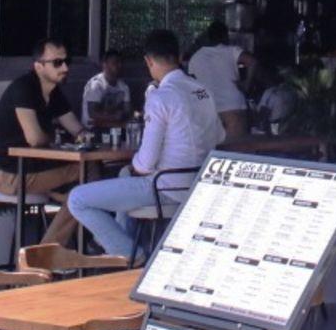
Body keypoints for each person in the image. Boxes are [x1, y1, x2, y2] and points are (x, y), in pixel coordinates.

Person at [67, 28, 223, 260]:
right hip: (199, 183)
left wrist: (135, 166)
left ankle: (132, 256)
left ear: (148, 61)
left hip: (165, 188)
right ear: (179, 57)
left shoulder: (160, 96)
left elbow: (146, 163)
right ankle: (123, 248)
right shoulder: (203, 91)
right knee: (124, 174)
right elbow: (220, 136)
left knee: (77, 199)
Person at [0, 39, 86, 245]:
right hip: (7, 172)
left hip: (32, 168)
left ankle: (59, 245)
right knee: (87, 176)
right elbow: (35, 139)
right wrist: (55, 139)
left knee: (85, 183)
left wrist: (87, 136)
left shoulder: (54, 93)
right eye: (57, 63)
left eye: (67, 61)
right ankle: (51, 248)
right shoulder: (24, 88)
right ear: (39, 66)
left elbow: (77, 129)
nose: (65, 68)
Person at [187, 18, 250, 142]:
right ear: (225, 36)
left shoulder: (195, 57)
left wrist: (203, 100)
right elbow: (252, 62)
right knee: (238, 148)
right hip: (234, 106)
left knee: (214, 150)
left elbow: (193, 87)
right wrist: (246, 84)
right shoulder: (231, 51)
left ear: (208, 37)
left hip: (210, 109)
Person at [81, 47, 135, 132]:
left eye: (121, 63)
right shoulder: (96, 85)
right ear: (104, 65)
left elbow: (127, 111)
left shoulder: (124, 87)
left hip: (115, 127)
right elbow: (92, 114)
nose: (119, 66)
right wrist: (115, 117)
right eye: (115, 63)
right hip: (93, 128)